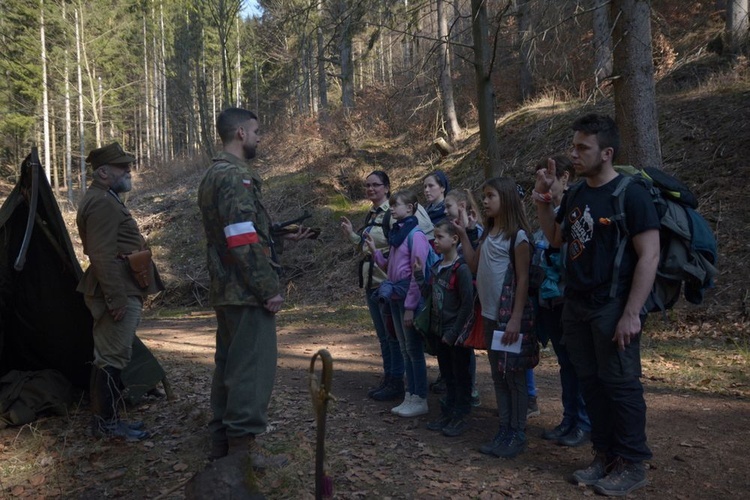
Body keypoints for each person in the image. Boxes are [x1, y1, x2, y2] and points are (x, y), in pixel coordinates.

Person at [534, 114, 659, 496]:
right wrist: (543, 200)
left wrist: (631, 313)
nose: (575, 154)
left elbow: (649, 256)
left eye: (582, 147)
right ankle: (604, 456)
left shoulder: (630, 194)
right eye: (574, 146)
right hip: (577, 305)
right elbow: (556, 239)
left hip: (613, 306)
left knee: (620, 386)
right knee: (591, 383)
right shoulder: (576, 194)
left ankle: (632, 462)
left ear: (606, 152)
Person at [197, 108, 314, 466]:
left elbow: (235, 233)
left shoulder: (213, 174)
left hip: (228, 288)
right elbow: (240, 237)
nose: (260, 138)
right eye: (257, 131)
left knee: (229, 366)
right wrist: (267, 287)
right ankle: (241, 454)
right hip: (246, 291)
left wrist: (276, 237)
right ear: (240, 135)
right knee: (252, 368)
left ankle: (222, 444)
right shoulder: (234, 177)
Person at [76, 142, 164, 441]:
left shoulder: (105, 197)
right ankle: (107, 426)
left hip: (121, 288)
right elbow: (100, 255)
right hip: (116, 291)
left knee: (110, 357)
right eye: (121, 167)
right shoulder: (101, 201)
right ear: (102, 172)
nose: (129, 170)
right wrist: (115, 298)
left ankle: (107, 423)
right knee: (112, 358)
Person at [457, 177, 538, 459]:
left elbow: (523, 280)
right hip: (490, 317)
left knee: (513, 377)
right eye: (484, 196)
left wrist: (515, 319)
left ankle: (517, 432)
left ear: (507, 200)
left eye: (491, 196)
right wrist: (464, 235)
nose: (486, 201)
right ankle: (504, 428)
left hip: (507, 321)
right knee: (498, 375)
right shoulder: (488, 233)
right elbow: (474, 265)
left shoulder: (518, 238)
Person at [533, 155, 591, 448]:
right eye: (540, 178)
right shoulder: (549, 213)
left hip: (573, 301)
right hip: (551, 304)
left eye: (552, 178)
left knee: (579, 364)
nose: (546, 183)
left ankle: (583, 422)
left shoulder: (578, 210)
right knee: (567, 365)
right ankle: (570, 419)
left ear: (566, 178)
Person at [340, 171, 405, 401]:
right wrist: (352, 236)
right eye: (367, 185)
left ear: (387, 188)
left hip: (386, 283)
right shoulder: (372, 214)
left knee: (392, 335)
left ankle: (397, 380)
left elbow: (398, 248)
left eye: (375, 185)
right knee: (383, 335)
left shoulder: (392, 215)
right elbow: (366, 248)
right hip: (371, 283)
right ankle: (389, 377)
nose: (370, 189)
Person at [366, 190, 431, 418]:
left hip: (407, 300)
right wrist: (375, 252)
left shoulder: (416, 236)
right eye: (391, 206)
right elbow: (390, 268)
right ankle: (410, 395)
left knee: (413, 350)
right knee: (404, 349)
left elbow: (417, 275)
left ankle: (419, 397)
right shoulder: (397, 235)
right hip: (395, 297)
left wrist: (411, 307)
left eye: (397, 205)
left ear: (411, 208)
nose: (392, 209)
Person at [414, 221, 474, 436]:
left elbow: (468, 304)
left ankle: (461, 415)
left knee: (461, 375)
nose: (435, 242)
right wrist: (420, 275)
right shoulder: (437, 268)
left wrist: (453, 332)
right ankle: (448, 412)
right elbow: (429, 295)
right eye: (435, 238)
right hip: (440, 333)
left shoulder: (462, 269)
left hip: (455, 336)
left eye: (440, 237)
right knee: (447, 375)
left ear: (454, 239)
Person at [443, 188, 483, 407]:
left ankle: (469, 391)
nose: (445, 211)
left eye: (448, 207)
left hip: (471, 297)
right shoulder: (453, 230)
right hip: (453, 297)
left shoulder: (475, 230)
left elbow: (473, 261)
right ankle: (457, 394)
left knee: (464, 348)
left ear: (461, 206)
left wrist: (470, 230)